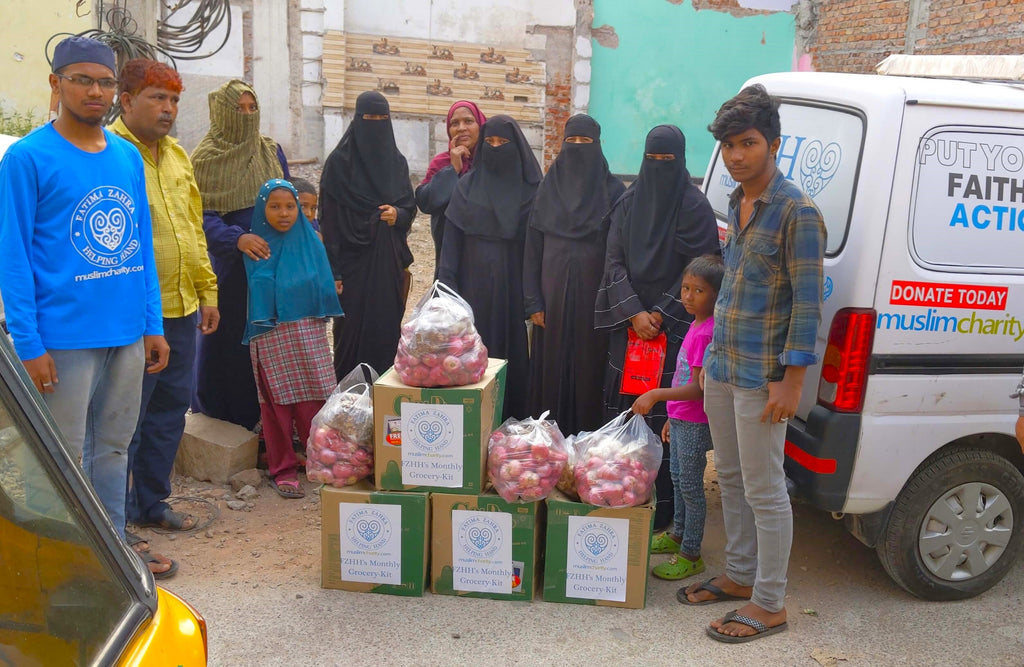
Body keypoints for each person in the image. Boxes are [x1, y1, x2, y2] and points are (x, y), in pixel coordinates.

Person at [0, 37, 174, 577]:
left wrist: (153, 325)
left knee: (114, 449)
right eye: (81, 79)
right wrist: (29, 345)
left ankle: (112, 553)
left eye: (103, 81)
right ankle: (60, 561)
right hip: (62, 342)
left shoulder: (125, 156)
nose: (94, 91)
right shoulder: (28, 159)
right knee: (59, 460)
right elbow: (13, 259)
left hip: (125, 335)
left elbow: (140, 246)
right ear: (56, 84)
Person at [682, 85, 826, 645]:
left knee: (766, 488)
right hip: (722, 365)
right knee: (735, 478)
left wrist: (792, 380)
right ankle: (740, 576)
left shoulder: (797, 212)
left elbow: (808, 303)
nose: (738, 155)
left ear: (774, 143)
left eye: (748, 143)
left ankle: (770, 602)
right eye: (729, 146)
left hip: (764, 376)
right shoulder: (737, 204)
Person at [111, 59, 220, 539]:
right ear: (127, 99)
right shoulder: (109, 153)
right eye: (157, 97)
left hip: (181, 308)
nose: (168, 108)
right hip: (131, 314)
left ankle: (150, 502)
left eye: (174, 99)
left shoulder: (177, 155)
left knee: (169, 411)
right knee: (122, 419)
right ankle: (112, 516)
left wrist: (206, 289)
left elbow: (191, 229)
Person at [594, 125, 720, 531]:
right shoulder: (628, 203)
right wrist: (634, 313)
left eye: (668, 161)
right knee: (627, 405)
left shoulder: (695, 208)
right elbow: (612, 261)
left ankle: (665, 510)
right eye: (654, 160)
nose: (659, 168)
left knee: (666, 414)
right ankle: (618, 492)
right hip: (630, 327)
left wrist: (662, 313)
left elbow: (700, 270)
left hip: (678, 327)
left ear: (681, 161)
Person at [191, 80, 290, 431]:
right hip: (232, 270)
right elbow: (197, 215)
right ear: (221, 112)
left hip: (273, 267)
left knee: (269, 344)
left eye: (252, 108)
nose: (247, 115)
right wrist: (238, 239)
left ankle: (266, 425)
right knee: (227, 343)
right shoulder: (204, 159)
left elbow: (287, 198)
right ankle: (220, 418)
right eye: (239, 108)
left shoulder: (270, 151)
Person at [524, 114, 625, 433]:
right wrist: (533, 301)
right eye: (572, 142)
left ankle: (588, 438)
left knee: (589, 366)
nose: (578, 148)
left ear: (598, 145)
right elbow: (532, 248)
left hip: (594, 300)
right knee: (551, 366)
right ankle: (548, 439)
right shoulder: (547, 188)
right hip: (550, 299)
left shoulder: (614, 191)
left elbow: (618, 250)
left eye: (586, 142)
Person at [244, 179, 342, 498]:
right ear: (262, 208)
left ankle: (320, 460)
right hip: (271, 334)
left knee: (314, 397)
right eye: (274, 206)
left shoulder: (312, 241)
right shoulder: (256, 244)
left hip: (308, 332)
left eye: (290, 206)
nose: (284, 213)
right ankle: (282, 468)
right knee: (276, 405)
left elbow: (323, 286)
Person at [438, 115, 542, 419]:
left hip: (512, 287)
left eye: (503, 143)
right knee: (469, 355)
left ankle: (510, 422)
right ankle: (472, 426)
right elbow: (451, 244)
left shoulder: (531, 191)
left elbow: (536, 249)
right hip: (472, 287)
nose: (495, 148)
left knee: (510, 357)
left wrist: (533, 298)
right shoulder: (466, 187)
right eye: (490, 142)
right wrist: (447, 295)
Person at [631, 254, 723, 581]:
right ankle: (678, 533)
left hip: (696, 422)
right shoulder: (696, 324)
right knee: (677, 477)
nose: (687, 296)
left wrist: (656, 396)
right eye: (685, 288)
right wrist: (672, 416)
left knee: (690, 487)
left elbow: (698, 390)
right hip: (682, 420)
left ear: (717, 296)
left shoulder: (706, 333)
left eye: (698, 290)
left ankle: (691, 552)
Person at [319, 91, 416, 380]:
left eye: (381, 118)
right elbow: (330, 221)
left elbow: (409, 206)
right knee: (348, 334)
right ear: (356, 119)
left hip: (387, 264)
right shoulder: (338, 164)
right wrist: (334, 271)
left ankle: (383, 398)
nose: (374, 123)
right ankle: (346, 402)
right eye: (368, 117)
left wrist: (397, 215)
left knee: (385, 329)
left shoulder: (396, 162)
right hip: (350, 266)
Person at [415, 100, 486, 278]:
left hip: (486, 257)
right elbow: (425, 202)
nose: (461, 128)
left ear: (481, 125)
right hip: (448, 256)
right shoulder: (442, 163)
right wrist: (453, 169)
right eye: (455, 123)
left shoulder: (492, 162)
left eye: (468, 121)